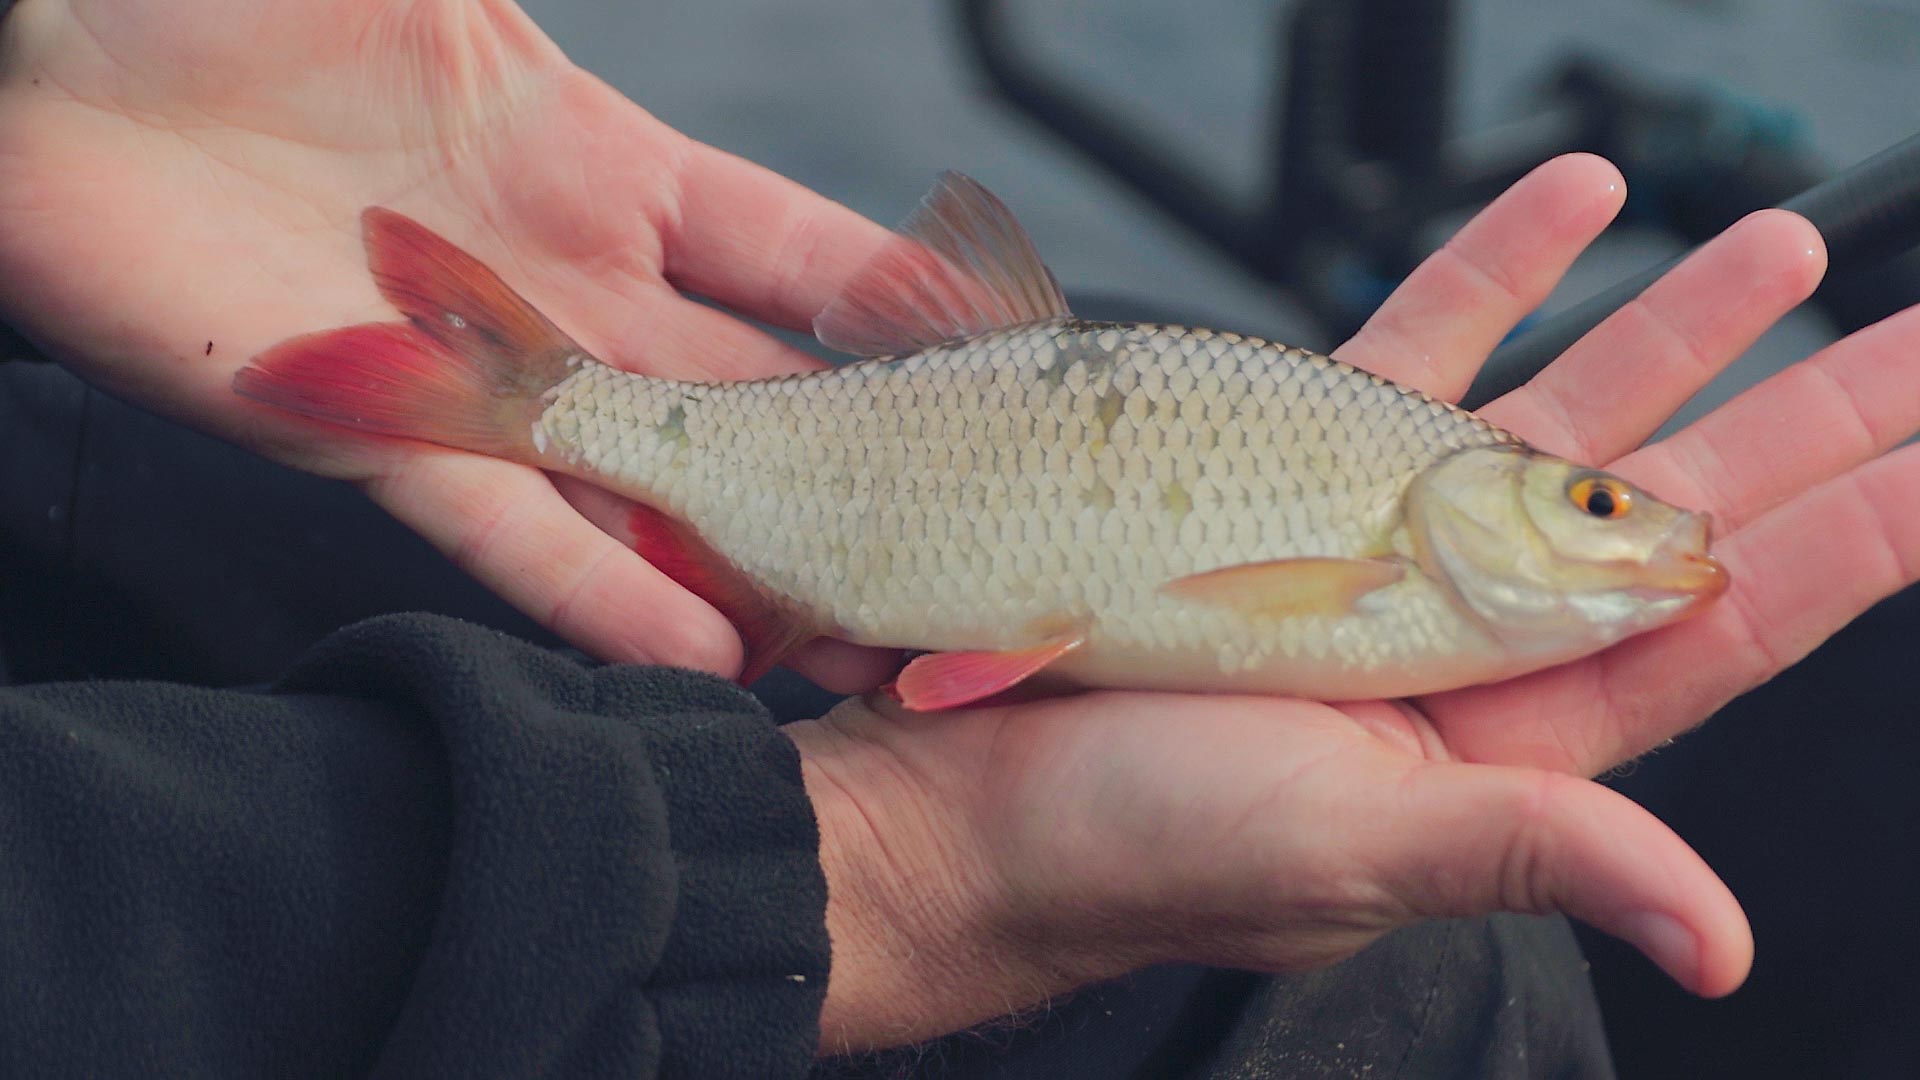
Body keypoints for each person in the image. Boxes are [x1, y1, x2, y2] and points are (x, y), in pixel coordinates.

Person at [1, 1, 1915, 1076]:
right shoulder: (1404, 560)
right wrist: (918, 872)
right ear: (1479, 504)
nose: (1626, 531)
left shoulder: (1413, 549)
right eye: (1593, 499)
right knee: (1439, 1008)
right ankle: (531, 395)